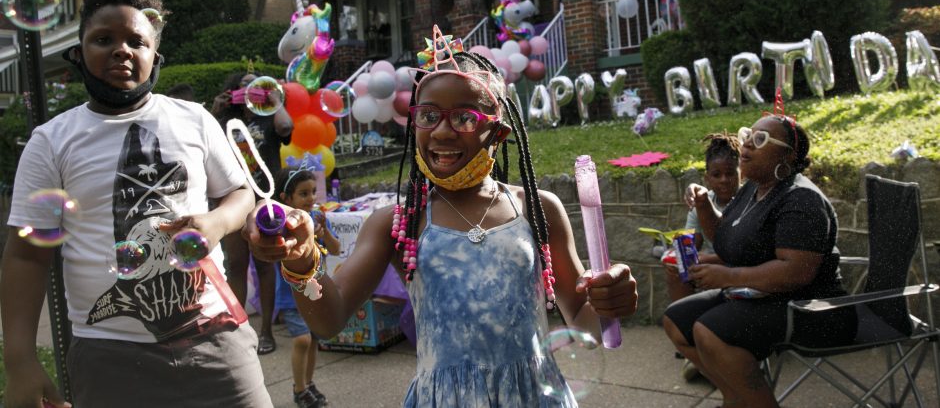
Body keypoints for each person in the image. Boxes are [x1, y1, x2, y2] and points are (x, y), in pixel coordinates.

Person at [246, 26, 638, 407]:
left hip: (533, 394)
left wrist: (609, 303)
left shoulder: (538, 208)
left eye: (465, 118)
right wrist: (302, 263)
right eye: (428, 115)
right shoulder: (397, 223)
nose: (443, 132)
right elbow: (329, 319)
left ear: (498, 133)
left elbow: (585, 321)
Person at [0, 0, 271, 408]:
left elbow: (240, 194)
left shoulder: (194, 119)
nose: (121, 49)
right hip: (107, 356)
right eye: (103, 38)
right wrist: (20, 360)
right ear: (79, 52)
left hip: (218, 342)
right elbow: (26, 255)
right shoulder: (52, 141)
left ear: (155, 55)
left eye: (136, 41)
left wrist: (216, 223)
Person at [663, 115, 857, 408]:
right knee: (677, 322)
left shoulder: (800, 199)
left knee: (710, 332)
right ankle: (736, 396)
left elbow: (795, 272)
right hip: (765, 295)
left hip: (812, 308)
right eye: (747, 136)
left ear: (787, 155)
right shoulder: (754, 189)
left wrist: (728, 277)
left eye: (760, 140)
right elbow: (727, 241)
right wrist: (704, 205)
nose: (746, 145)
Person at [211, 70, 293, 355]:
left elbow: (286, 127)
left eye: (256, 84)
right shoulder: (222, 121)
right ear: (233, 89)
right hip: (231, 202)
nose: (249, 88)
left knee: (264, 265)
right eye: (243, 84)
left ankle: (266, 331)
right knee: (235, 264)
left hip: (263, 201)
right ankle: (238, 330)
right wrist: (215, 110)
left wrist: (276, 101)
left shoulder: (269, 118)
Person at [660, 132, 740, 382]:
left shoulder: (747, 199)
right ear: (707, 177)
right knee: (676, 267)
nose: (724, 180)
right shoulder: (702, 201)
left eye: (730, 173)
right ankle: (689, 339)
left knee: (698, 263)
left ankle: (711, 358)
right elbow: (692, 242)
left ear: (741, 172)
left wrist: (702, 259)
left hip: (739, 264)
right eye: (716, 175)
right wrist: (677, 251)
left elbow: (742, 252)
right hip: (710, 262)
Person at [273, 166, 341, 408]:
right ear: (286, 198)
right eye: (303, 194)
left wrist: (324, 234)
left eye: (313, 192)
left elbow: (336, 249)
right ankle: (299, 389)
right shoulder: (279, 225)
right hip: (292, 294)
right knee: (302, 340)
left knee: (313, 339)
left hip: (315, 293)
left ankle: (308, 384)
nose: (311, 198)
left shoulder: (317, 219)